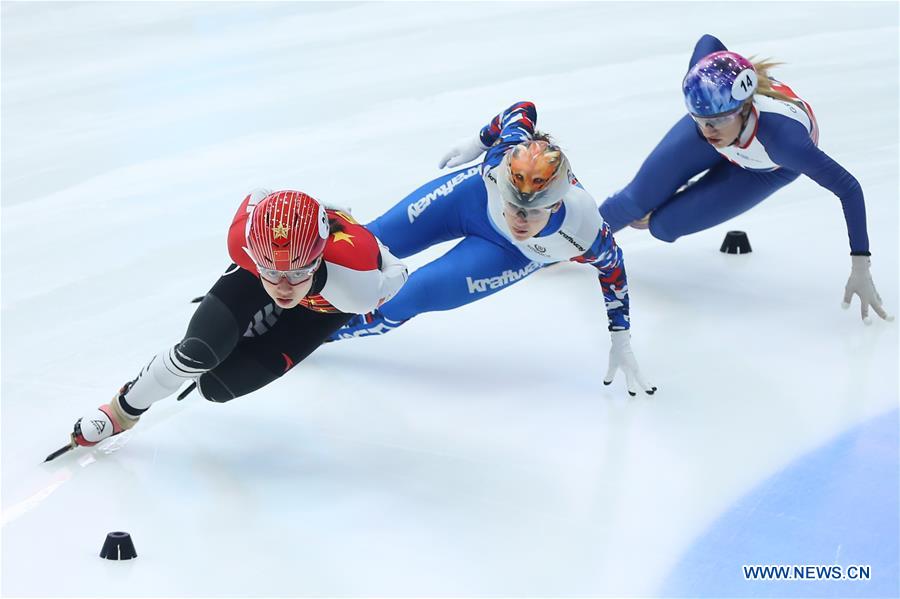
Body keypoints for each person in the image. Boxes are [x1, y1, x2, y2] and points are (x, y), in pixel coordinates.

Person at [328, 101, 656, 397]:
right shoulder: (499, 160)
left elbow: (613, 271)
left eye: (531, 212)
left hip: (511, 254)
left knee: (411, 295)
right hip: (470, 199)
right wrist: (479, 142)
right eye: (513, 205)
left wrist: (620, 338)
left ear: (556, 206)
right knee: (368, 242)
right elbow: (523, 109)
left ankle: (316, 336)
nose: (518, 219)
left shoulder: (583, 230)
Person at [65, 189, 408, 450]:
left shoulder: (357, 284)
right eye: (272, 274)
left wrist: (346, 223)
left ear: (318, 261)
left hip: (326, 306)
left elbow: (399, 271)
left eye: (298, 273)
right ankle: (121, 411)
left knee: (218, 387)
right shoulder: (241, 240)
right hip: (276, 265)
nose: (284, 288)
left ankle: (277, 287)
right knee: (198, 352)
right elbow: (262, 195)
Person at [599, 34, 892, 324]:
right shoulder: (711, 118)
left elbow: (849, 189)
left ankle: (671, 200)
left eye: (718, 121)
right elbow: (708, 41)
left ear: (745, 108)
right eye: (700, 120)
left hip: (764, 170)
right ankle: (560, 242)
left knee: (663, 226)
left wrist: (860, 266)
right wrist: (719, 82)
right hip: (734, 139)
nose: (709, 131)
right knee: (634, 202)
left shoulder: (785, 142)